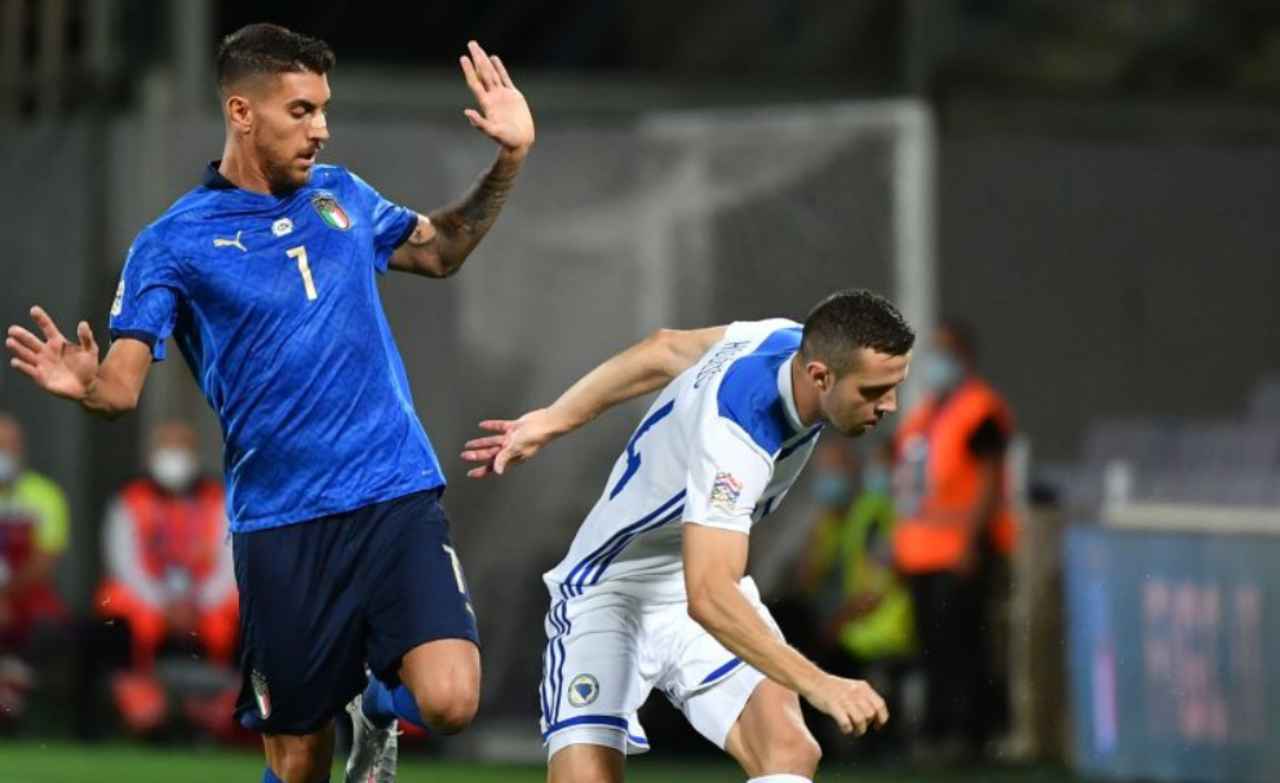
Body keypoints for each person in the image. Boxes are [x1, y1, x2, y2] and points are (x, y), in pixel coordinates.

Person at [5, 23, 534, 783]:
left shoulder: (343, 196)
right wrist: (84, 382)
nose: (320, 128)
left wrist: (509, 158)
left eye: (323, 108)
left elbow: (442, 250)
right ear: (241, 113)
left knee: (450, 700)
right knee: (297, 762)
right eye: (300, 110)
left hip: (393, 492)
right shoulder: (173, 243)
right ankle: (350, 704)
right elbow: (119, 390)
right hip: (282, 523)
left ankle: (379, 701)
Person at [461, 290, 913, 783]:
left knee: (788, 751)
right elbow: (711, 596)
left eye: (894, 387)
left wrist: (554, 419)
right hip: (611, 591)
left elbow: (664, 350)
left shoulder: (780, 339)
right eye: (872, 391)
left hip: (694, 576)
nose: (889, 405)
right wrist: (821, 685)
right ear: (820, 376)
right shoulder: (736, 436)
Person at [891, 317, 1018, 761]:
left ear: (964, 356)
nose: (936, 362)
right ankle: (939, 729)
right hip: (922, 550)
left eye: (945, 351)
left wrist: (968, 540)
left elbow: (987, 477)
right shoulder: (927, 412)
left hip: (959, 548)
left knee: (964, 645)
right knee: (932, 647)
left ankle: (970, 734)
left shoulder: (979, 409)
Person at [95, 420, 238, 736]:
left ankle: (226, 706)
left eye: (181, 446)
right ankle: (139, 702)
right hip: (148, 604)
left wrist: (197, 603)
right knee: (114, 606)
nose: (174, 454)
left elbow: (229, 559)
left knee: (242, 607)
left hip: (205, 604)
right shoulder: (129, 497)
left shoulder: (218, 497)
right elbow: (123, 561)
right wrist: (164, 605)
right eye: (167, 445)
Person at [0, 413, 70, 720]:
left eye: (9, 445)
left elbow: (46, 558)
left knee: (50, 624)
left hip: (27, 597)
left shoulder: (45, 495)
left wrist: (6, 597)